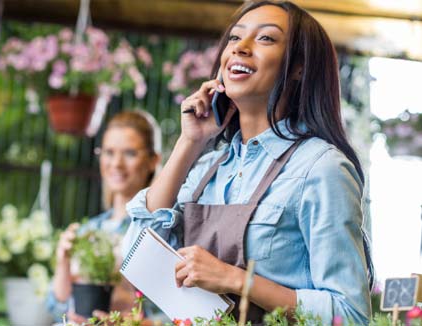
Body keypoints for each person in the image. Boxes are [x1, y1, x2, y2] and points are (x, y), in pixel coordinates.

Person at [122, 1, 373, 324]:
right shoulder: (208, 168)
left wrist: (235, 279)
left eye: (266, 38)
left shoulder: (320, 168)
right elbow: (137, 254)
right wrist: (190, 142)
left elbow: (351, 315)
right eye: (234, 38)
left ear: (298, 67)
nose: (240, 47)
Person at [46, 110, 161, 324]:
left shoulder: (159, 230)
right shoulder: (89, 229)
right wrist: (63, 262)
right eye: (109, 152)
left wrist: (133, 316)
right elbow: (56, 307)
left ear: (153, 160)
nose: (116, 163)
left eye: (129, 153)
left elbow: (175, 313)